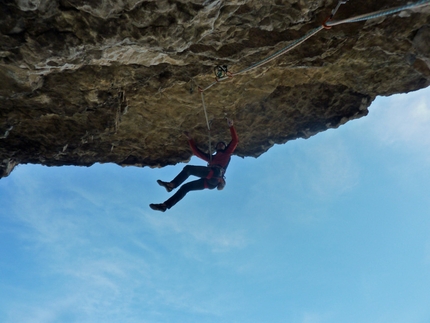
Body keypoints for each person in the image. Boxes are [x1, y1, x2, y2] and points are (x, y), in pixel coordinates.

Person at [149, 118, 238, 212]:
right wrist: (190, 139)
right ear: (215, 148)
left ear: (225, 147)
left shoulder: (227, 153)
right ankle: (165, 205)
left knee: (189, 169)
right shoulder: (211, 158)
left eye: (222, 144)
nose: (221, 145)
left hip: (215, 175)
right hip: (210, 180)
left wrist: (231, 126)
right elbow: (197, 152)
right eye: (219, 144)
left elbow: (235, 141)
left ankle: (172, 184)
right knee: (186, 187)